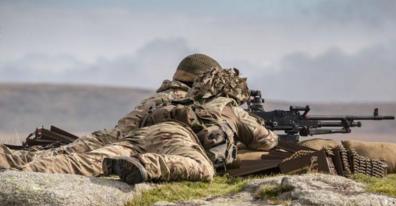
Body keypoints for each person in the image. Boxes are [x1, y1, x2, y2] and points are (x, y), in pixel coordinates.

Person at [4, 67, 278, 183]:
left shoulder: (174, 100)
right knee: (204, 169)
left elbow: (122, 129)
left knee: (88, 160)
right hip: (177, 140)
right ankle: (146, 165)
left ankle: (23, 166)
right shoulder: (226, 106)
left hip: (144, 134)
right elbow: (266, 141)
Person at [0, 53, 222, 170]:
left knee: (54, 153)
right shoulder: (187, 101)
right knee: (65, 161)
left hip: (108, 135)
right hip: (124, 144)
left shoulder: (161, 94)